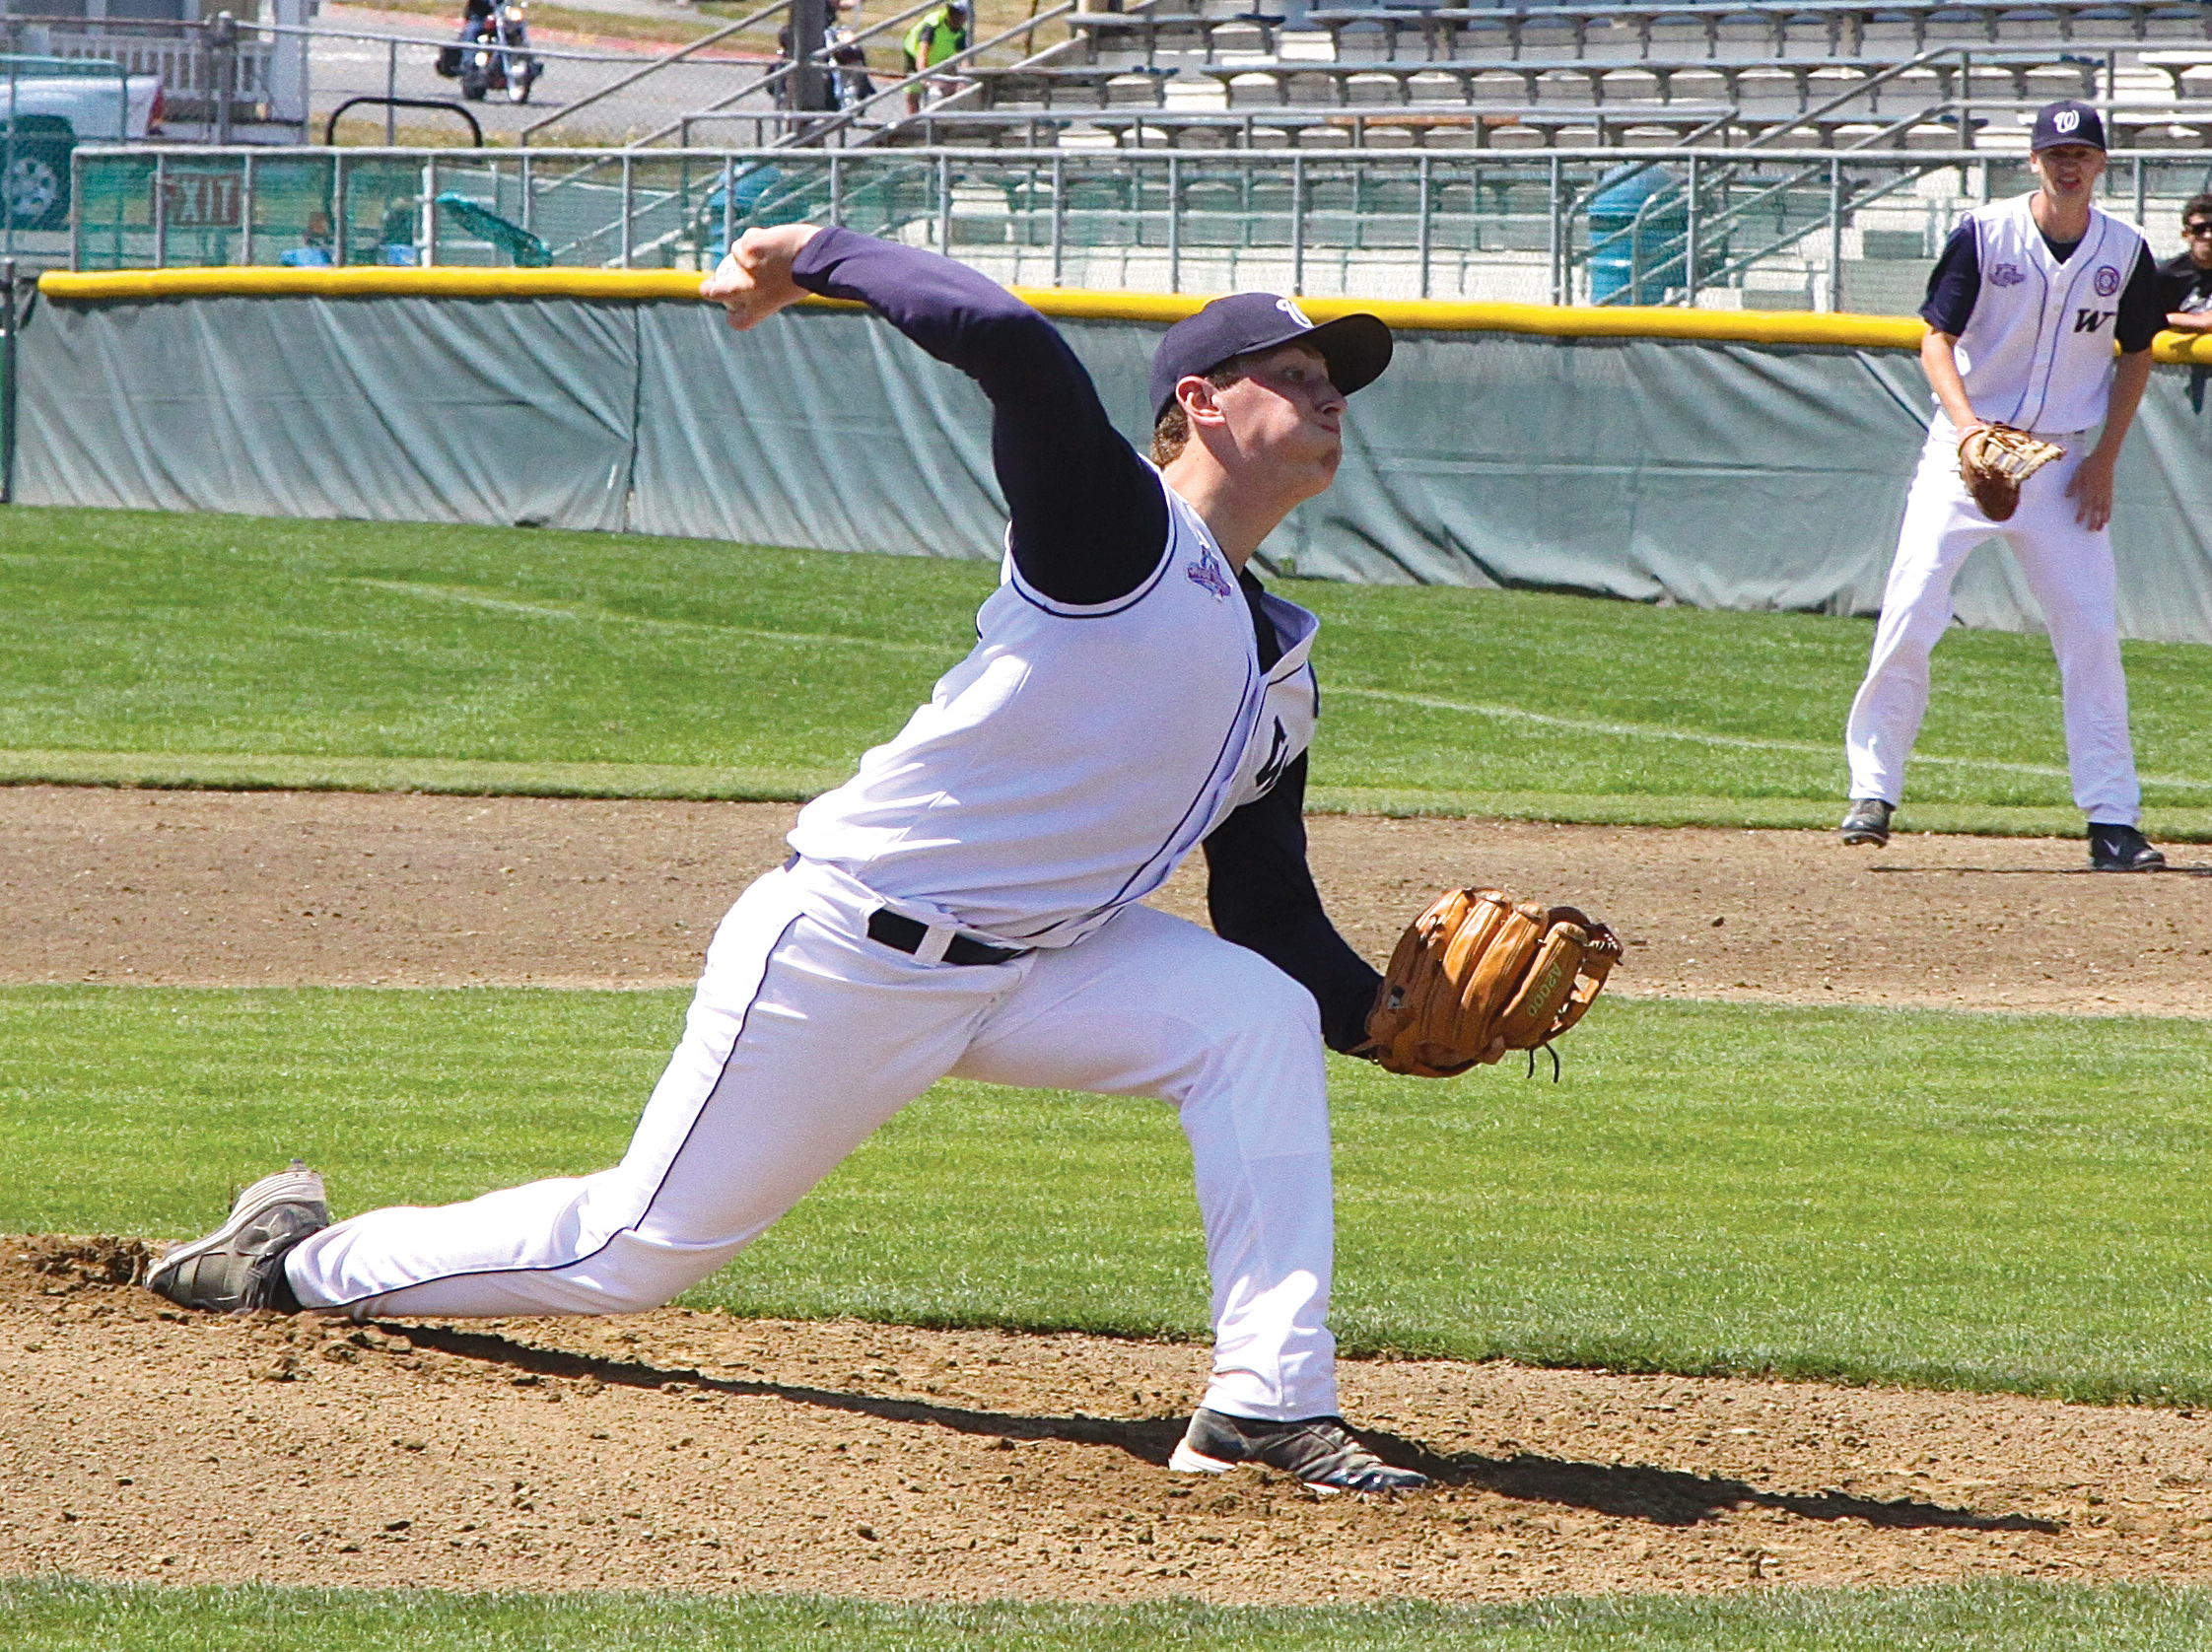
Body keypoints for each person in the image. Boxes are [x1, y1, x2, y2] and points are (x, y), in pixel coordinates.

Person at [146, 224, 1469, 1494]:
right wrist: (816, 254)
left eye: (1335, 384)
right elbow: (1008, 340)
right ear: (1203, 401)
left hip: (1050, 964)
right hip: (855, 947)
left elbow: (1266, 905)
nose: (1329, 397)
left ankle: (1267, 1403)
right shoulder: (1119, 536)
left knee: (1255, 1016)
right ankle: (297, 1261)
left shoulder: (1279, 660)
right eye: (1296, 375)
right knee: (635, 1249)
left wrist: (1374, 1014)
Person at [1838, 101, 2167, 871]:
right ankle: (1873, 790)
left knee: (2089, 635)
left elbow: (2139, 352)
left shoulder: (2125, 248)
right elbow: (1936, 337)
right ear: (2033, 160)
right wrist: (1966, 430)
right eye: (2056, 151)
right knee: (1913, 607)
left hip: (2061, 464)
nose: (2068, 163)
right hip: (1966, 454)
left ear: (2101, 163)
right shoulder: (1985, 234)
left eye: (2082, 151)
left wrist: (2106, 460)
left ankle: (2113, 823)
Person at [2156, 191, 2212, 335]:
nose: (2208, 235)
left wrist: (2173, 318)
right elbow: (2146, 319)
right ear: (2186, 234)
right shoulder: (2166, 275)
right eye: (2199, 229)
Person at [900, 0, 968, 114]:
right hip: (915, 54)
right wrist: (923, 76)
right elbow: (922, 54)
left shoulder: (961, 32)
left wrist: (965, 79)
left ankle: (945, 119)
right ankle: (912, 122)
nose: (954, 16)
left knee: (951, 85)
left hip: (941, 58)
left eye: (959, 14)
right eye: (952, 11)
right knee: (913, 93)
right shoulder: (933, 25)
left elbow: (964, 57)